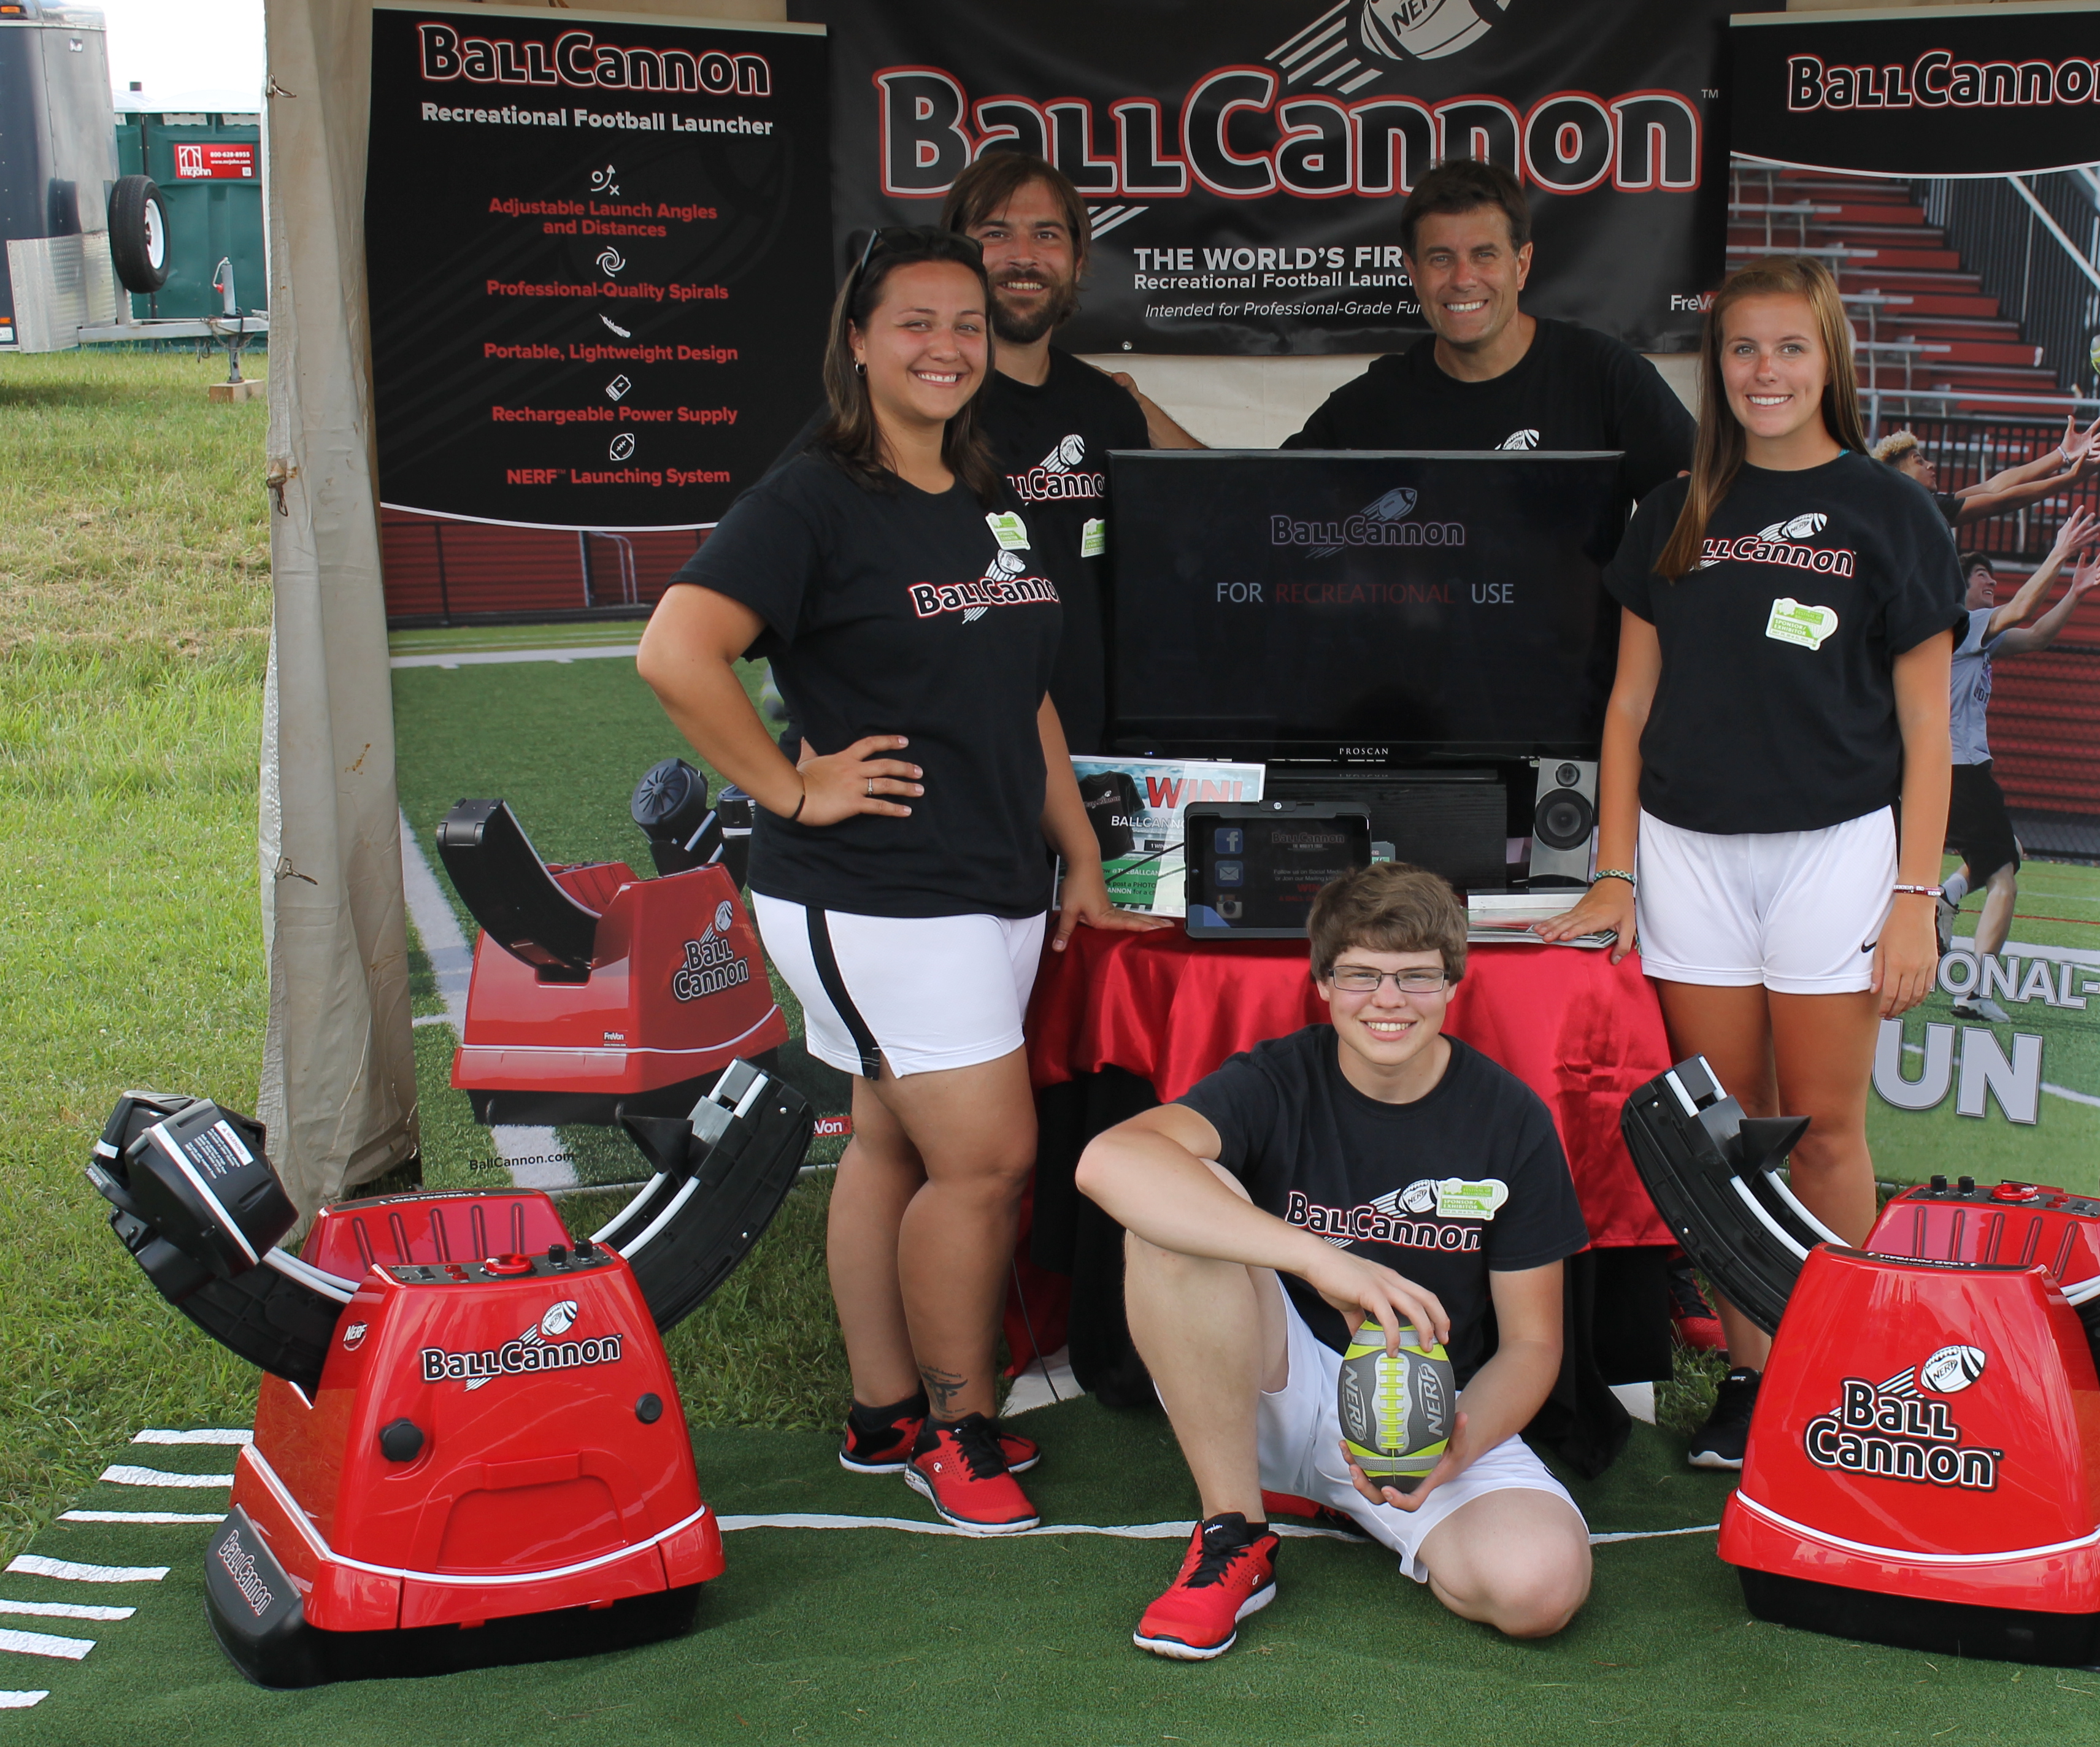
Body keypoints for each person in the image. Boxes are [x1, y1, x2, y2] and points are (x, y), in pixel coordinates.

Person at [637, 227, 1163, 1535]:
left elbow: (1019, 686)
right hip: (874, 889)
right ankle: (957, 1419)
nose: (946, 346)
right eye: (916, 322)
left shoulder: (979, 485)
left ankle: (883, 1415)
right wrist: (793, 784)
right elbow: (676, 649)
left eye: (968, 324)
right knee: (988, 1163)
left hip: (986, 878)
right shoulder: (812, 494)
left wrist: (1080, 855)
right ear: (859, 339)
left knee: (888, 1139)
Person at [1531, 255, 1958, 1470]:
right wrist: (1616, 869)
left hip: (1834, 850)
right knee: (1722, 1132)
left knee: (1820, 1125)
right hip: (1686, 854)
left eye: (1789, 348)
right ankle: (1751, 1371)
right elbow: (1625, 709)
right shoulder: (1674, 510)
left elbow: (1929, 729)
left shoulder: (1893, 510)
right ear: (1716, 370)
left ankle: (1850, 1369)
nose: (1764, 371)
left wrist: (1915, 897)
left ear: (1831, 361)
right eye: (1741, 350)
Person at [1075, 862, 1593, 1660]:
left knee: (1540, 1589)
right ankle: (1236, 1531)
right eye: (1361, 974)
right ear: (1322, 982)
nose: (1388, 1000)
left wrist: (1458, 1444)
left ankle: (1356, 1502)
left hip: (1419, 1410)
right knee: (1179, 1200)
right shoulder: (1281, 1077)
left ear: (1454, 984)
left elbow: (1534, 1344)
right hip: (1269, 1379)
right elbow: (1109, 1163)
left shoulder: (1509, 1118)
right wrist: (1323, 1262)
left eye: (1416, 977)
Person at [771, 154, 1202, 750]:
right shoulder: (916, 400)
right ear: (958, 258)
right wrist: (806, 772)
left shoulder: (1109, 409)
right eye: (996, 234)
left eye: (1046, 235)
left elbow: (1211, 527)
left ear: (1078, 262)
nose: (1023, 256)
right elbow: (747, 585)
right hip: (935, 778)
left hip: (1080, 761)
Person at [1284, 158, 1695, 526]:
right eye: (1440, 258)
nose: (1463, 279)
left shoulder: (1606, 377)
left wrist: (1638, 607)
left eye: (1485, 255)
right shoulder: (1370, 404)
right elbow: (1260, 503)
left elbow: (1707, 514)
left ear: (1522, 264)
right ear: (1412, 270)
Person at [1940, 528, 2100, 1019]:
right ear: (1960, 586)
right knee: (2004, 879)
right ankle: (1975, 992)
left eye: (1994, 577)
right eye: (1981, 576)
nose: (1990, 582)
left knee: (2008, 849)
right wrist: (2058, 551)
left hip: (1962, 767)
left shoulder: (1977, 637)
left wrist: (2075, 592)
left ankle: (1947, 898)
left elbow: (2038, 635)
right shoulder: (1960, 624)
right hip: (1961, 768)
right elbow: (2020, 612)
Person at [1871, 418, 2100, 532]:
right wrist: (2070, 478)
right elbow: (2004, 501)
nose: (1930, 465)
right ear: (1899, 476)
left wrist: (2062, 455)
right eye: (1919, 461)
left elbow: (1993, 488)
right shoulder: (1916, 508)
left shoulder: (1923, 505)